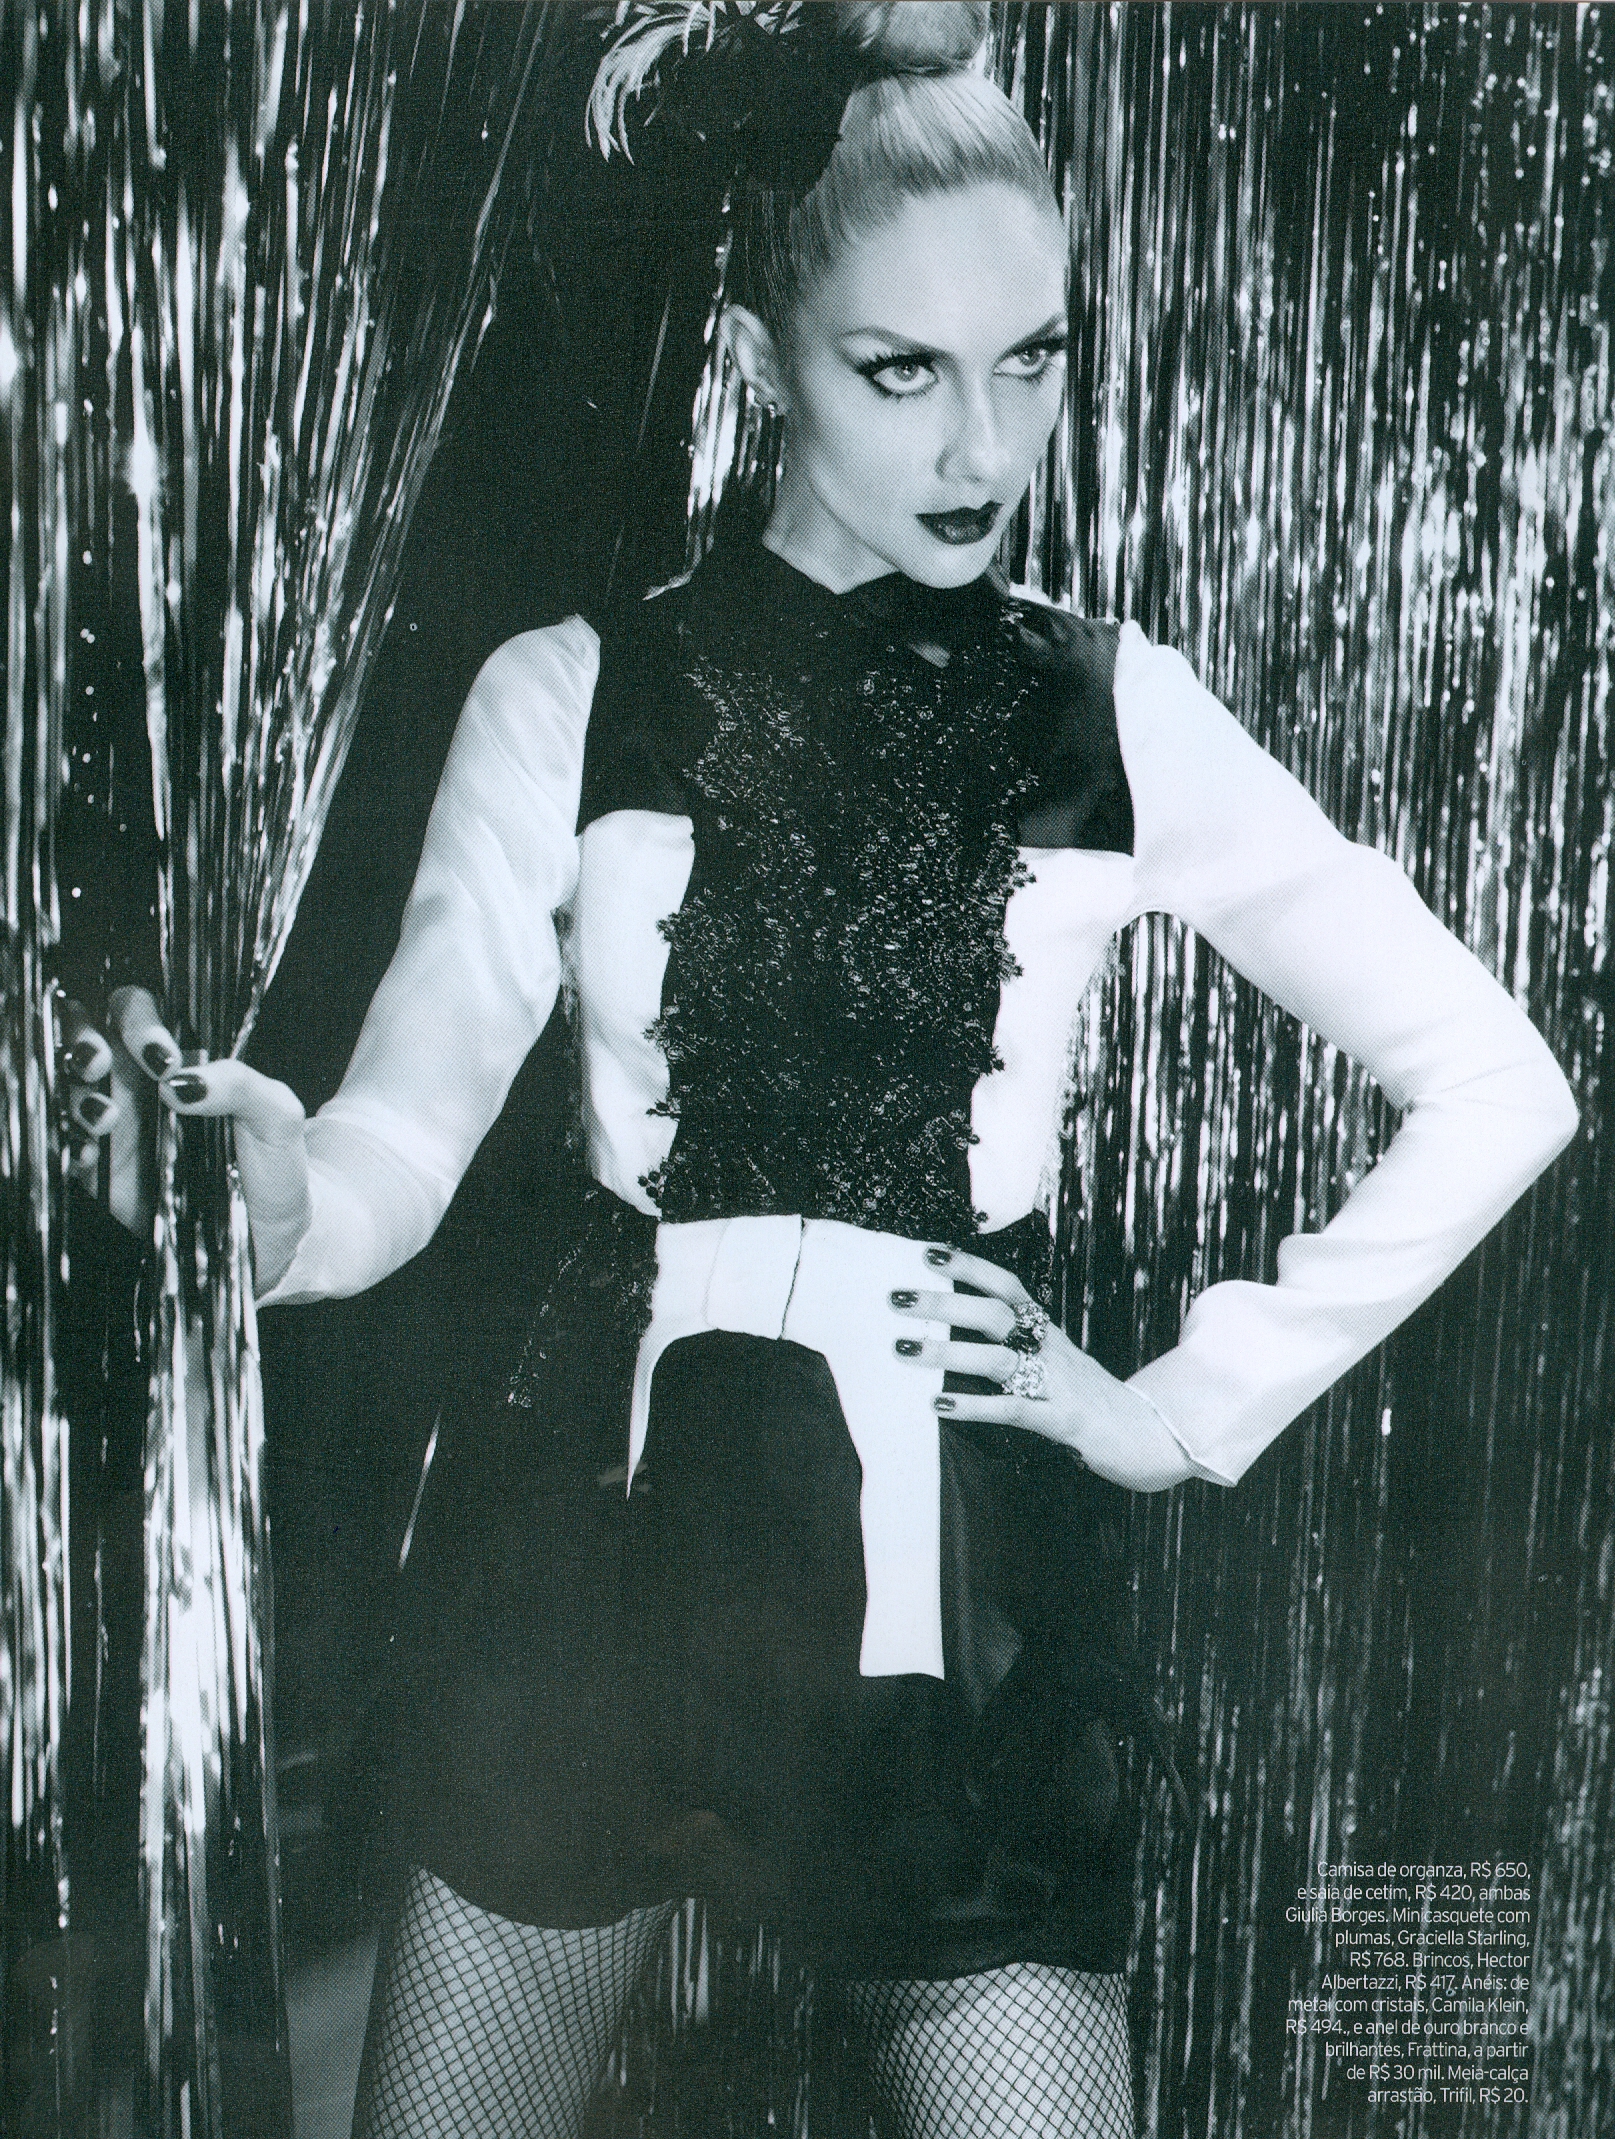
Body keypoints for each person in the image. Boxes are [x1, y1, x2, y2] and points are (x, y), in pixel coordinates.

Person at [64, 5, 1578, 2133]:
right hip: (591, 1582)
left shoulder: (1114, 712)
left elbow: (1500, 1077)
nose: (984, 446)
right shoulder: (567, 696)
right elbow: (403, 1136)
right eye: (901, 371)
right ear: (762, 360)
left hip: (953, 1602)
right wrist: (276, 1192)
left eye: (1029, 362)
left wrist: (1175, 1409)